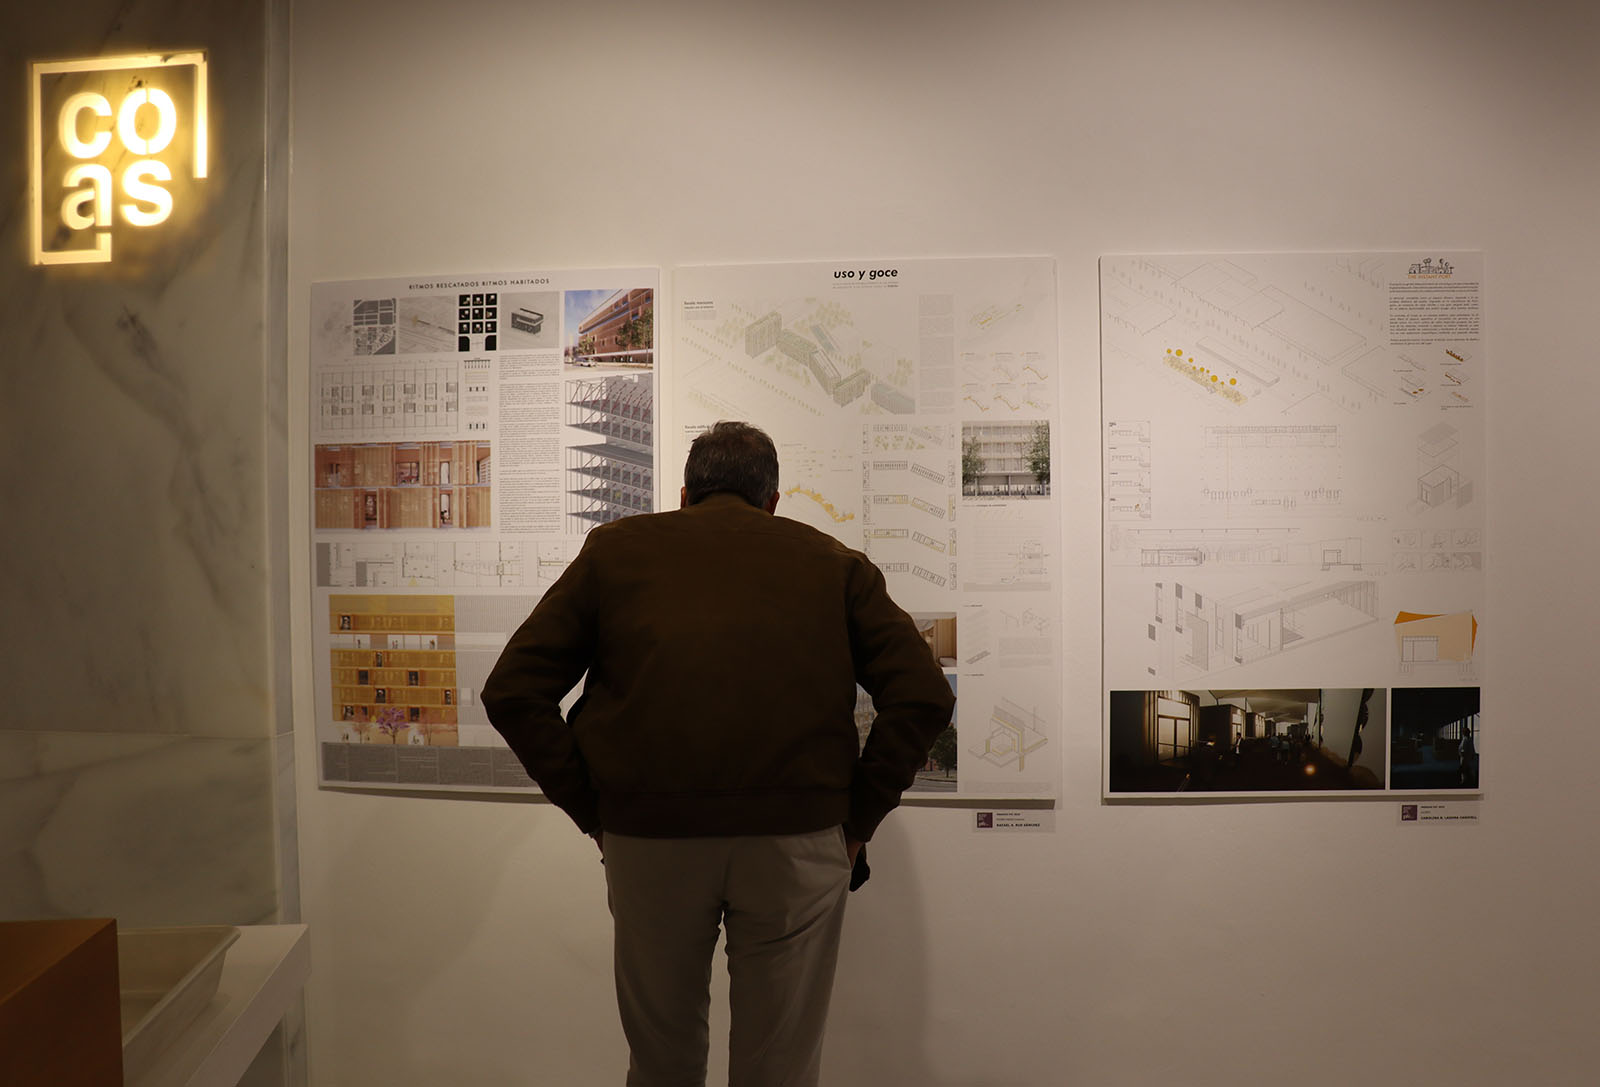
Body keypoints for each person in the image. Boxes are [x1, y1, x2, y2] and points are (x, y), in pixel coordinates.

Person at [481, 421, 955, 1087]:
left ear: (684, 494)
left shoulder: (615, 553)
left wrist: (594, 810)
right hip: (796, 843)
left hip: (650, 840)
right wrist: (856, 822)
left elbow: (513, 690)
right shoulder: (834, 563)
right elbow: (924, 694)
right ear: (772, 500)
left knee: (661, 1062)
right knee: (779, 1068)